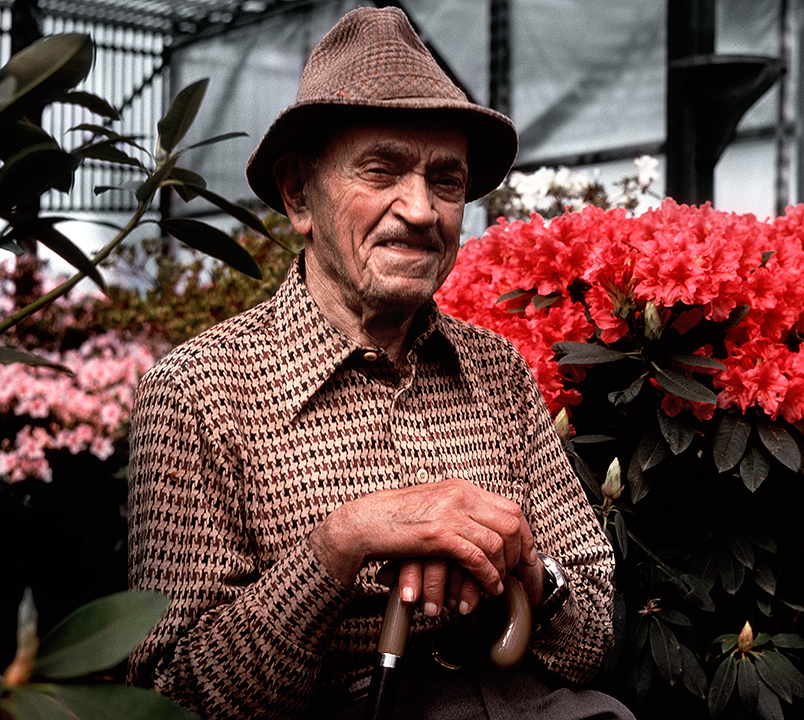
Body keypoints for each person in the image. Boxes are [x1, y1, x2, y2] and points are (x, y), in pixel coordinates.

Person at [127, 7, 632, 720]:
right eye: (382, 169)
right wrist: (339, 546)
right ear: (300, 193)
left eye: (446, 180)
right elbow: (171, 695)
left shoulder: (499, 371)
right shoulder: (199, 392)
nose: (422, 209)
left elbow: (596, 638)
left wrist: (528, 573)